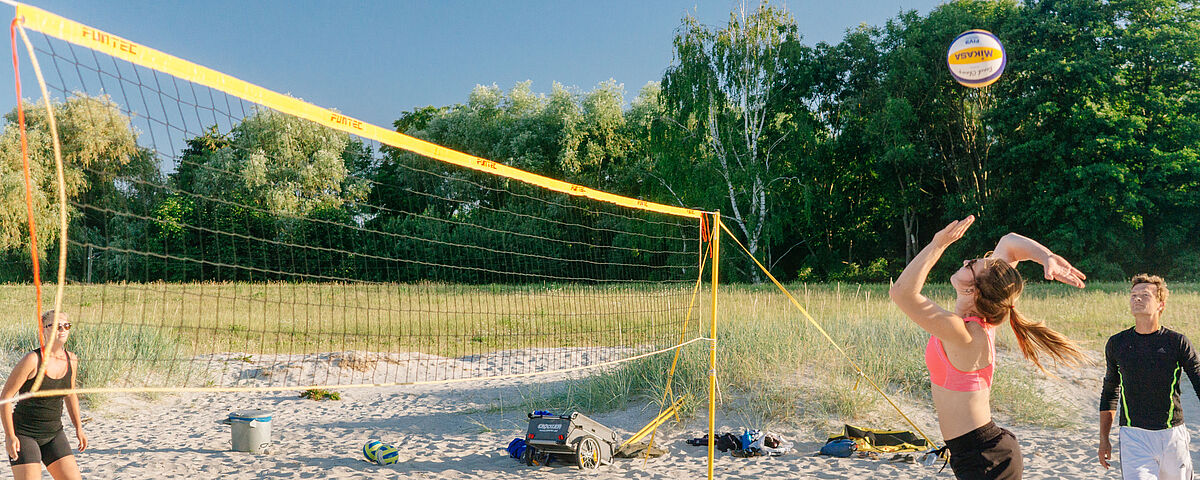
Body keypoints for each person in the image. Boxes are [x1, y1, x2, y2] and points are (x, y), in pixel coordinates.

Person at [889, 215, 1089, 479]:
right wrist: (1046, 256)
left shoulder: (964, 333)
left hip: (983, 458)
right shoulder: (974, 320)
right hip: (978, 454)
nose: (965, 261)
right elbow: (1009, 242)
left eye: (971, 264)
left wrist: (939, 244)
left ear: (973, 290)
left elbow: (901, 292)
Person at [1098, 274, 1200, 480]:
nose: (1136, 299)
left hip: (1173, 436)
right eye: (1133, 295)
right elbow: (1110, 392)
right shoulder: (1117, 344)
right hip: (1134, 437)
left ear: (1160, 304)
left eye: (1145, 295)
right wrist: (1104, 440)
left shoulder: (1177, 342)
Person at [1, 311, 87, 480]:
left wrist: (78, 428)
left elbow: (70, 394)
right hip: (24, 434)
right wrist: (10, 436)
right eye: (55, 326)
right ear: (43, 330)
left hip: (54, 433)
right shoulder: (32, 360)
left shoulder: (72, 359)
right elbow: (6, 398)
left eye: (66, 326)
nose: (62, 329)